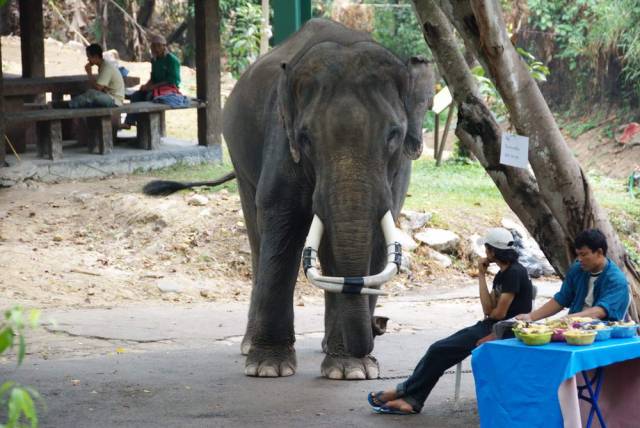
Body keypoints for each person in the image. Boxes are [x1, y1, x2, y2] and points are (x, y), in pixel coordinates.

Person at [368, 228, 533, 415]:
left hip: (505, 331)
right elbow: (488, 310)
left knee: (439, 350)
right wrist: (480, 275)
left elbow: (499, 313)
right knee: (439, 350)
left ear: (492, 251)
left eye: (486, 248)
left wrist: (492, 315)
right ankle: (411, 399)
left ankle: (405, 393)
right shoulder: (502, 274)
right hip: (491, 325)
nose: (485, 252)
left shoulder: (514, 273)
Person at [516, 228, 629, 322]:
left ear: (599, 252)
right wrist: (531, 317)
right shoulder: (577, 269)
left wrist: (566, 319)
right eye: (578, 255)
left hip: (603, 335)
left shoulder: (616, 280)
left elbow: (600, 311)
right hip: (573, 329)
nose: (579, 259)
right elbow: (562, 299)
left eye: (583, 254)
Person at [123, 34, 181, 126]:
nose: (155, 49)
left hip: (170, 88)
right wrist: (145, 86)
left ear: (164, 46)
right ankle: (129, 122)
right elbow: (153, 77)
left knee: (149, 97)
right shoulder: (154, 60)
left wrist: (152, 87)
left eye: (158, 46)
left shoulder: (172, 60)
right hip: (156, 87)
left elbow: (172, 80)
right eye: (153, 46)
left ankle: (148, 124)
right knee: (136, 95)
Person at [68, 43, 125, 108]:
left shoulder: (106, 67)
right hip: (109, 97)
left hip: (115, 101)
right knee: (88, 94)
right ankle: (73, 106)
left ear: (96, 56)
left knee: (92, 94)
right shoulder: (102, 66)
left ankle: (69, 105)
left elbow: (98, 88)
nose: (88, 60)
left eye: (89, 57)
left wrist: (89, 73)